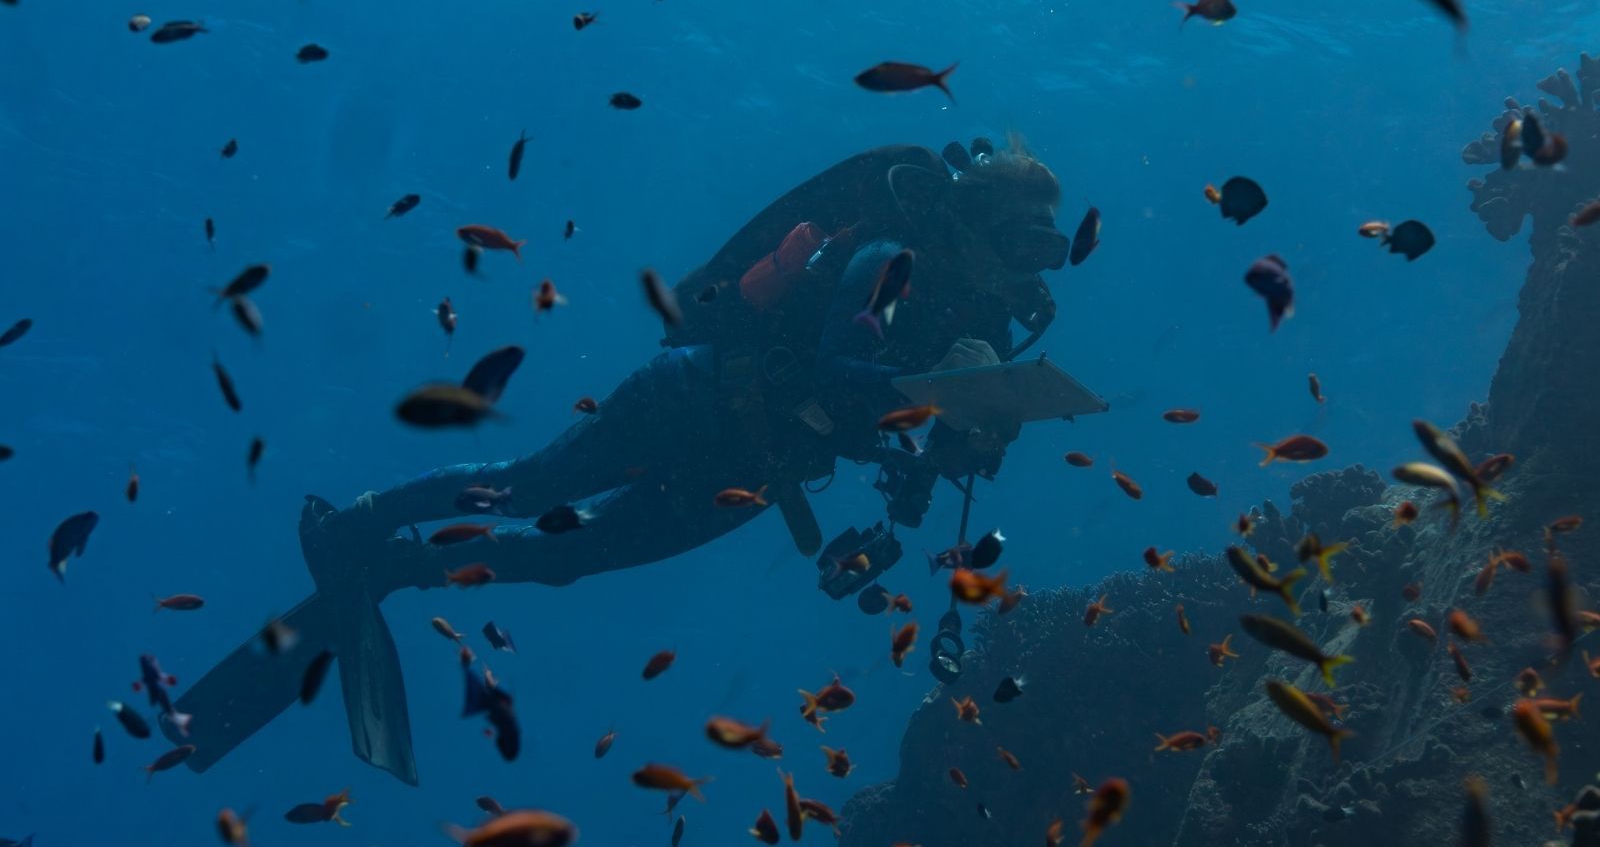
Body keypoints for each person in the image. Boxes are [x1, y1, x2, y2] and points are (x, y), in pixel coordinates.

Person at [171, 138, 1072, 784]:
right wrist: (935, 390)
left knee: (573, 554)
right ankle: (360, 522)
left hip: (760, 471)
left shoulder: (981, 327)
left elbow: (901, 431)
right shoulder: (892, 255)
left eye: (1048, 251)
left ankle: (400, 569)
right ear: (977, 222)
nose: (1029, 267)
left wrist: (973, 434)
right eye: (1020, 242)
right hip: (700, 395)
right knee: (533, 489)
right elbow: (842, 365)